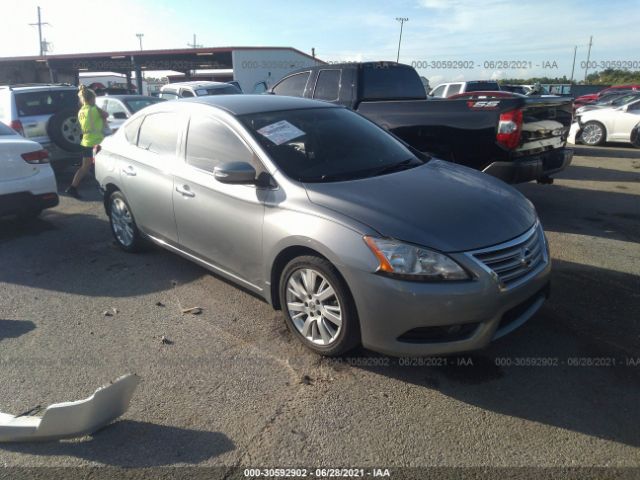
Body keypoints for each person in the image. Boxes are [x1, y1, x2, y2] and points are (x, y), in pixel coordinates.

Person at [65, 85, 108, 199]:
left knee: (85, 167)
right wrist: (96, 106)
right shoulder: (94, 109)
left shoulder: (81, 111)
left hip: (86, 142)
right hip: (97, 142)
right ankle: (105, 189)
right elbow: (106, 115)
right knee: (102, 166)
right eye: (94, 98)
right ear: (92, 99)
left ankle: (72, 188)